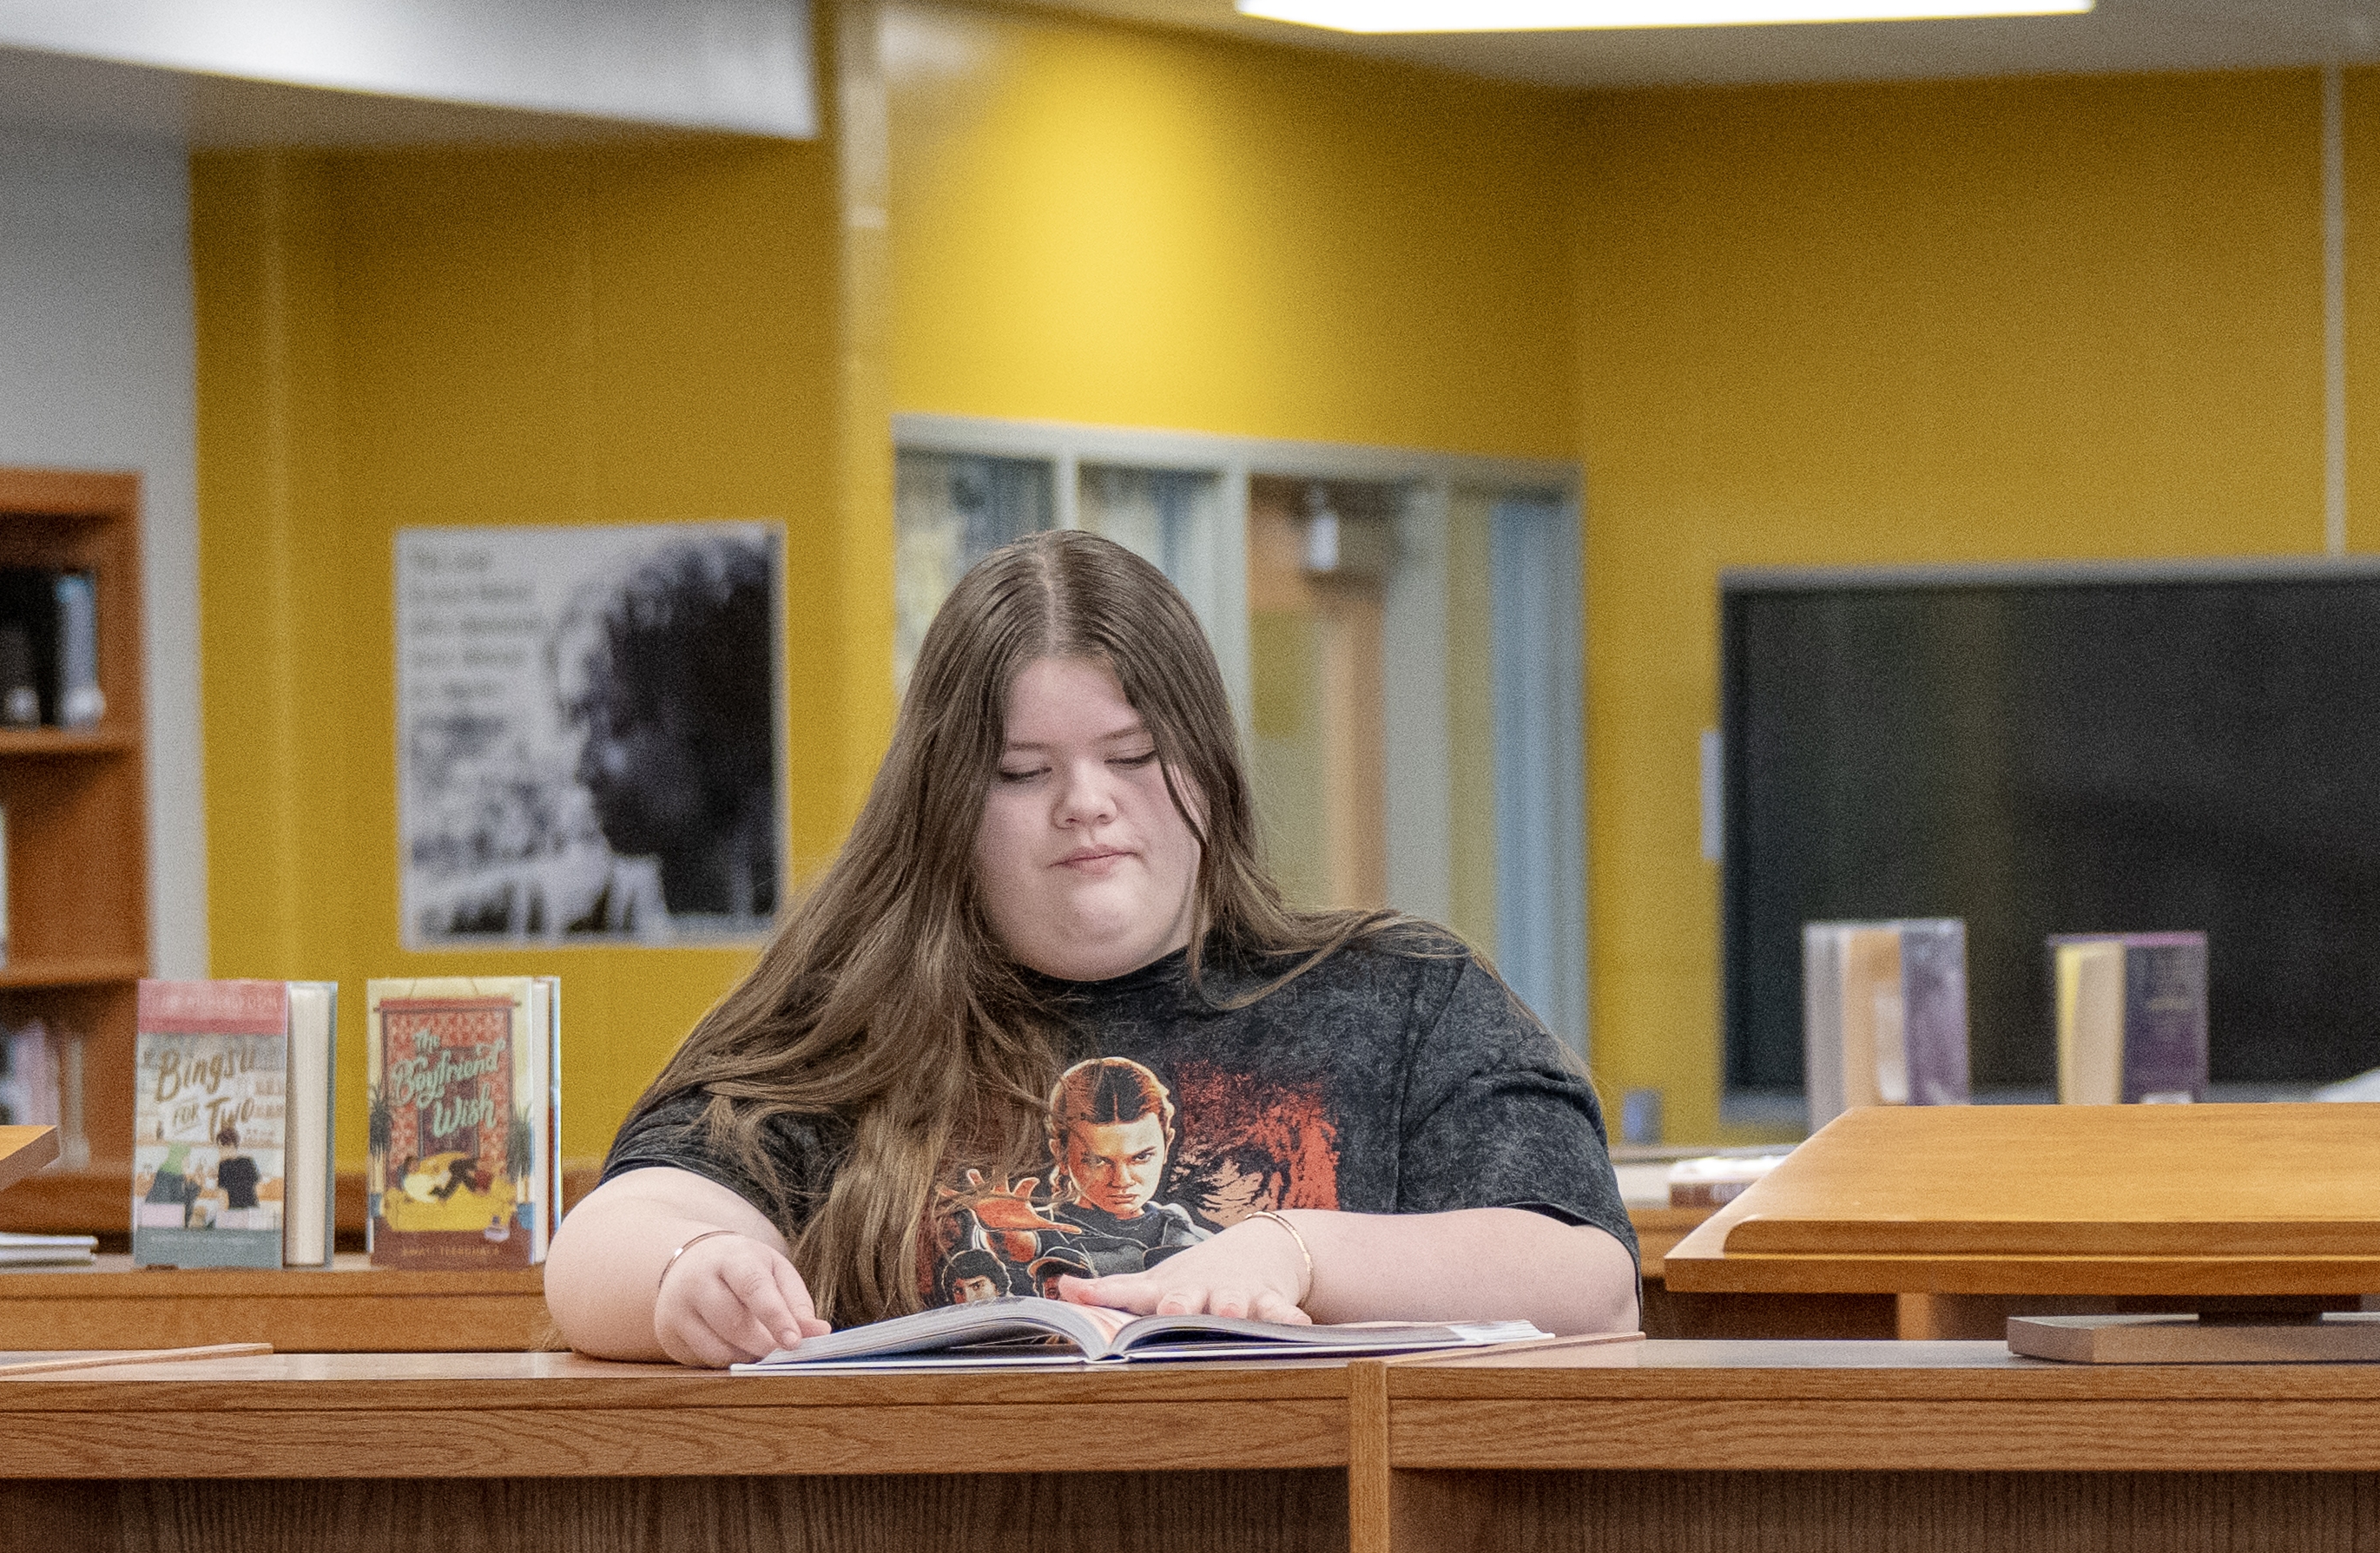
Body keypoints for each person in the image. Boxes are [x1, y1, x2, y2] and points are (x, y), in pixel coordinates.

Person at [546, 528, 1638, 1365]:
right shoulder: (856, 1021)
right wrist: (690, 1271)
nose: (1087, 806)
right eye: (1024, 773)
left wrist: (1294, 1252)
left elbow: (1589, 1281)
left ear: (1208, 765)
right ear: (947, 804)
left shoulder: (1405, 997)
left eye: (1134, 754)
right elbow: (606, 1239)